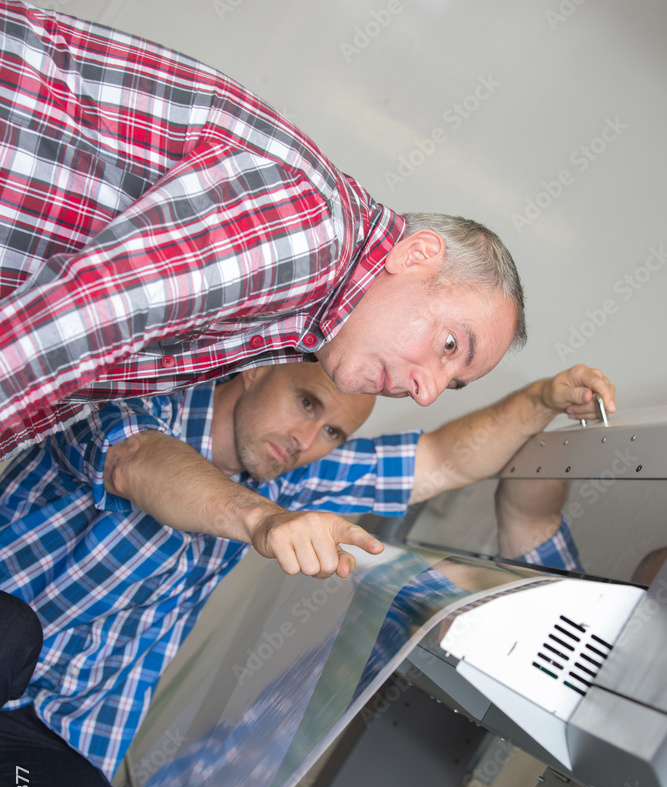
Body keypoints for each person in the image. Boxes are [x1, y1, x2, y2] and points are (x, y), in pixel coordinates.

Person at [0, 357, 609, 787]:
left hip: (49, 728)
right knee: (13, 634)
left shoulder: (283, 474)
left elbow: (443, 459)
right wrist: (263, 521)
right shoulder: (148, 393)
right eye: (307, 402)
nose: (305, 439)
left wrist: (543, 400)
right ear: (259, 367)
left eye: (334, 432)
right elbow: (135, 462)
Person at [0, 0, 532, 464]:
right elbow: (88, 317)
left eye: (452, 384)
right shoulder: (316, 234)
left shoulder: (303, 315)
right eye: (448, 345)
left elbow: (75, 379)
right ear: (416, 255)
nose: (428, 392)